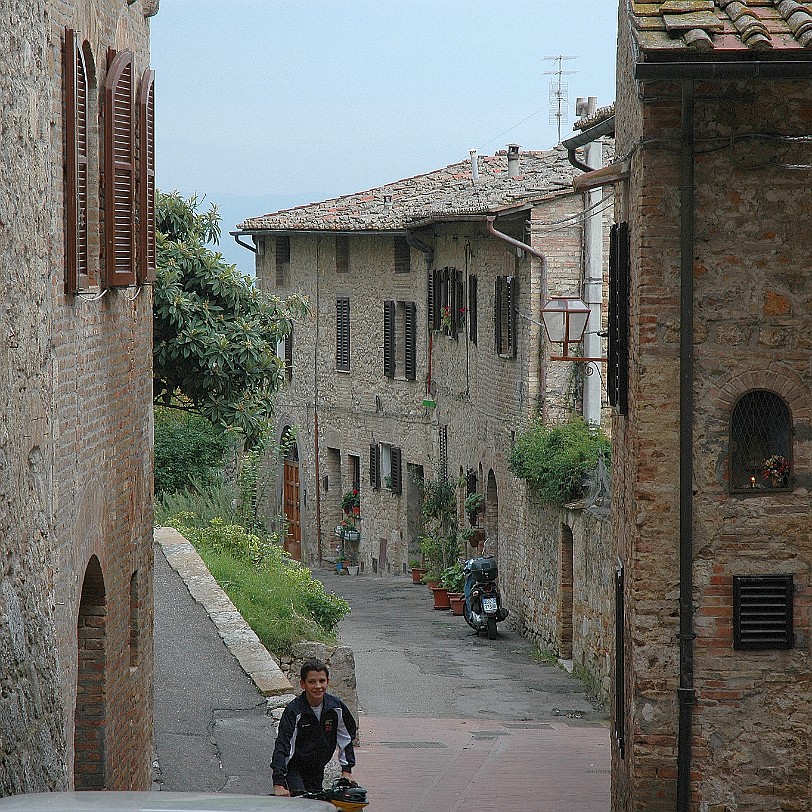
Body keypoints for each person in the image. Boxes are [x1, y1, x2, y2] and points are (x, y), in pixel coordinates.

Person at [271, 658, 357, 796]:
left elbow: (346, 738)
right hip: (294, 769)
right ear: (302, 684)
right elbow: (284, 746)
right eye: (312, 682)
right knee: (301, 803)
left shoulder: (336, 708)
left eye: (322, 681)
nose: (318, 686)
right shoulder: (294, 711)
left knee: (316, 803)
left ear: (327, 681)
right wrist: (278, 783)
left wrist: (346, 771)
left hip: (317, 767)